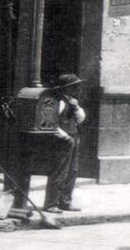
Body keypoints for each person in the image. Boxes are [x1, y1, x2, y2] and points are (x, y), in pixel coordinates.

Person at [44, 73, 86, 213]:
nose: (77, 89)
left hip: (74, 137)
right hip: (62, 141)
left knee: (72, 171)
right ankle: (51, 204)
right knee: (60, 171)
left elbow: (80, 119)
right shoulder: (58, 102)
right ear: (67, 88)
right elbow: (50, 123)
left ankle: (65, 201)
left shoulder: (72, 102)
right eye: (75, 87)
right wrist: (65, 137)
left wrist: (75, 108)